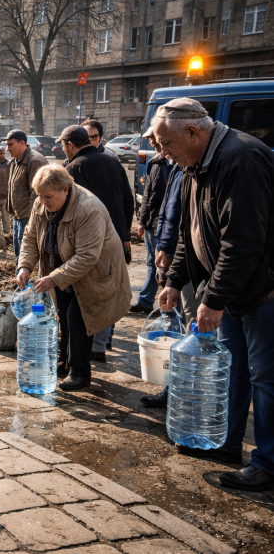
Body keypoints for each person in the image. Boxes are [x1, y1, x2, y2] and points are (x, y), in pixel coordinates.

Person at [155, 97, 274, 491]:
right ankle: (225, 444)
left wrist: (214, 299)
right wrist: (174, 280)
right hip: (235, 293)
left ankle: (268, 463)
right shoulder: (194, 165)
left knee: (265, 379)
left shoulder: (240, 159)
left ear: (193, 132)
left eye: (166, 144)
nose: (163, 153)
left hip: (263, 293)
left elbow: (242, 242)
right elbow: (192, 236)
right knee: (232, 374)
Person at [17, 165, 131, 391]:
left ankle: (80, 373)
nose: (43, 201)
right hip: (61, 270)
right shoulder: (42, 203)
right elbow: (30, 237)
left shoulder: (88, 209)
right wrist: (25, 266)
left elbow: (87, 257)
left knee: (78, 319)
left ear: (65, 189)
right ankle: (64, 361)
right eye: (39, 195)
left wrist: (53, 278)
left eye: (48, 196)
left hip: (93, 273)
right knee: (62, 316)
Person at [59, 125, 134, 362]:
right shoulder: (112, 161)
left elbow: (69, 210)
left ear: (70, 145)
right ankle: (100, 346)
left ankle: (84, 351)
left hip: (89, 242)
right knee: (108, 292)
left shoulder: (74, 168)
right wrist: (125, 235)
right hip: (116, 238)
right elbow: (128, 200)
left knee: (86, 297)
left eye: (63, 146)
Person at [140, 128, 196, 409]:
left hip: (184, 258)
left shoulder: (191, 169)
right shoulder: (175, 167)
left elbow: (183, 219)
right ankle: (175, 387)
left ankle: (186, 391)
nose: (162, 150)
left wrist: (169, 247)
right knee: (177, 319)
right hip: (173, 252)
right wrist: (163, 244)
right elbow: (168, 210)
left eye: (165, 144)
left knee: (190, 324)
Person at [131, 128, 169, 313]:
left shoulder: (170, 164)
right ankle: (146, 301)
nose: (151, 142)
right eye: (150, 138)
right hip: (151, 223)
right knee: (151, 263)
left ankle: (166, 304)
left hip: (162, 225)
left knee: (160, 265)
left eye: (153, 138)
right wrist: (142, 220)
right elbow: (148, 194)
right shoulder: (155, 162)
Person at [6, 130, 48, 259]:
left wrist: (31, 218)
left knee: (24, 255)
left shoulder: (34, 161)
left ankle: (24, 279)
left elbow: (37, 193)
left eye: (10, 144)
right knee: (19, 253)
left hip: (28, 217)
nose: (7, 149)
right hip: (19, 216)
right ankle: (21, 278)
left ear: (22, 143)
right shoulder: (16, 161)